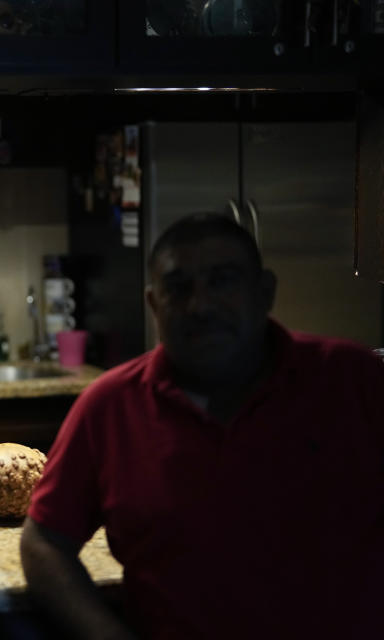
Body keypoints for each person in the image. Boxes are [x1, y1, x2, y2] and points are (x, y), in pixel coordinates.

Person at [20, 213, 384, 639]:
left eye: (223, 280)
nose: (200, 305)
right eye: (178, 288)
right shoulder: (108, 407)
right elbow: (44, 542)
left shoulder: (350, 379)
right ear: (155, 305)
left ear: (264, 291)